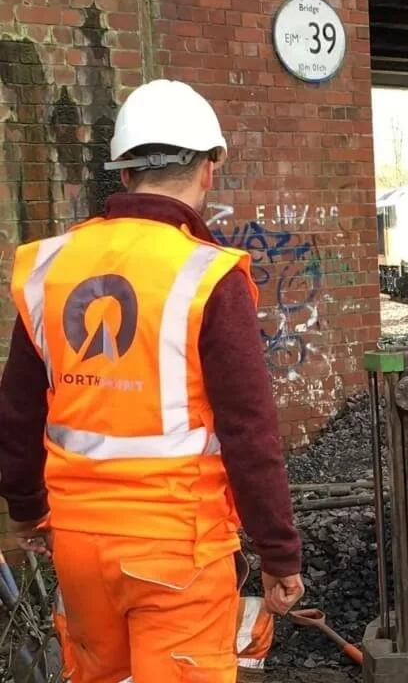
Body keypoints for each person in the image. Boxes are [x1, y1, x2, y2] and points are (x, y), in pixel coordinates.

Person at [0, 79, 304, 682]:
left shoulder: (50, 268)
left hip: (80, 543)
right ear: (208, 169)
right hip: (176, 548)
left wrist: (27, 503)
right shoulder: (206, 274)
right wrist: (278, 551)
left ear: (124, 173)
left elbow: (18, 406)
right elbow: (248, 429)